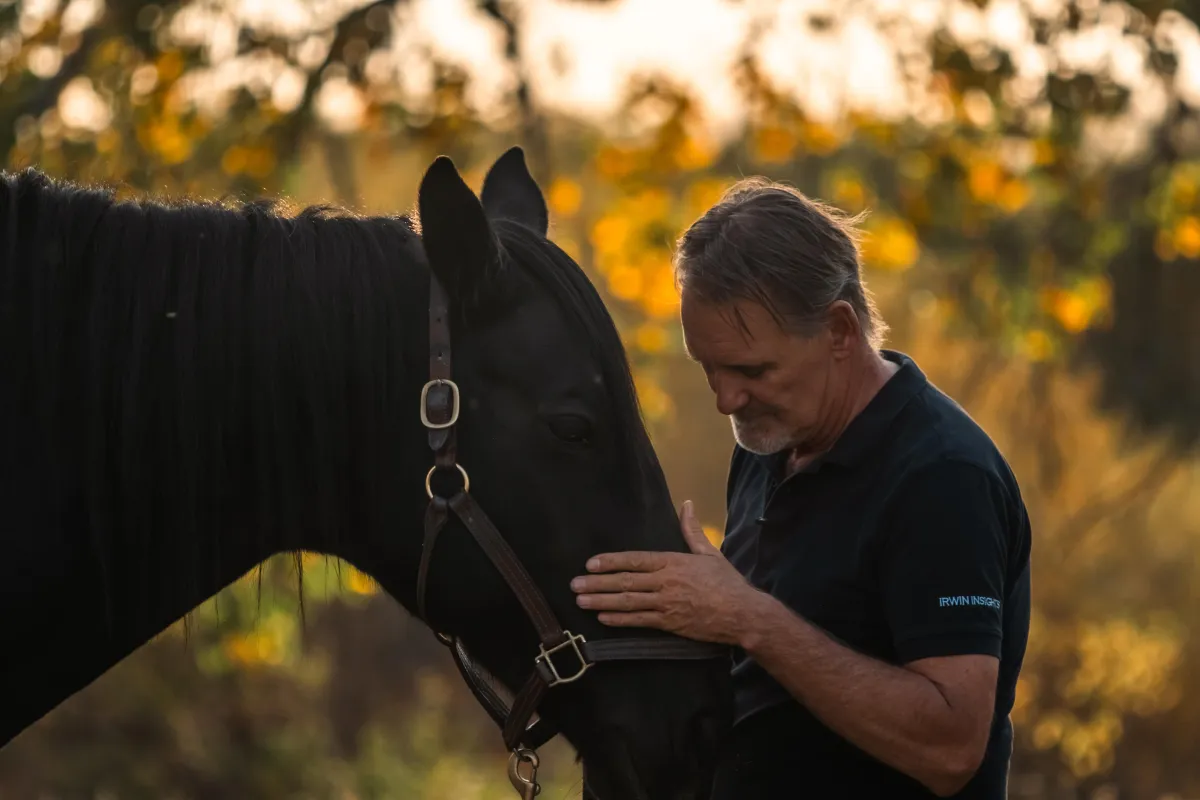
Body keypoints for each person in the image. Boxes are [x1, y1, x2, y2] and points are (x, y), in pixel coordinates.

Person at [569, 178, 1032, 798]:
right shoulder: (769, 441)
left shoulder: (943, 478)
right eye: (707, 367)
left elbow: (951, 748)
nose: (726, 399)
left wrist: (747, 617)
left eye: (751, 370)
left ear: (839, 331)